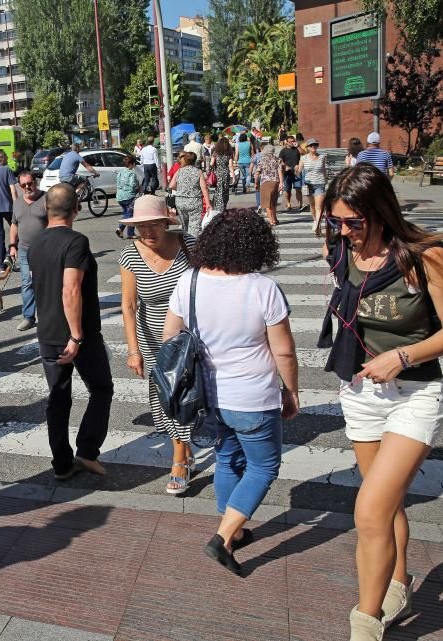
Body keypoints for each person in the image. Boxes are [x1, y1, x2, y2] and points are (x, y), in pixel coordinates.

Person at [316, 165, 443, 641]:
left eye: (353, 222)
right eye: (335, 222)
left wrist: (402, 356)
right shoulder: (343, 250)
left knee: (368, 511)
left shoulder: (425, 257)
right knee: (385, 503)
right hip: (361, 393)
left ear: (381, 212)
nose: (343, 232)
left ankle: (365, 627)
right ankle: (399, 581)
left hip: (415, 394)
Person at [163, 208, 299, 578]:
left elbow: (169, 339)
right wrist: (291, 391)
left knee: (227, 460)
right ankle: (222, 538)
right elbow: (283, 351)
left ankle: (234, 530)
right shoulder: (262, 288)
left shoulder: (188, 282)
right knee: (263, 466)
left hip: (210, 395)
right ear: (257, 246)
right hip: (254, 394)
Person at [27, 183, 114, 480]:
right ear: (76, 209)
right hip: (79, 334)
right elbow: (71, 289)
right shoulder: (76, 241)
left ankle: (61, 464)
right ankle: (87, 451)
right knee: (101, 389)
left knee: (58, 396)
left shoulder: (36, 243)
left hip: (48, 331)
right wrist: (76, 335)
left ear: (47, 210)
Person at [119, 196, 197, 494]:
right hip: (153, 341)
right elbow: (128, 306)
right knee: (167, 398)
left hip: (189, 337)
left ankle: (179, 458)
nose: (148, 232)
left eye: (154, 224)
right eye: (141, 226)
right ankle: (183, 448)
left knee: (187, 394)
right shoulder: (131, 255)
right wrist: (133, 350)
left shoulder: (188, 244)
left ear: (167, 222)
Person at [9, 170, 48, 331]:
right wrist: (12, 245)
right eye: (23, 185)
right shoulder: (17, 202)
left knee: (47, 283)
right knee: (27, 283)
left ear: (35, 182)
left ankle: (48, 316)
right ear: (19, 186)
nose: (27, 187)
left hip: (45, 250)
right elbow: (14, 224)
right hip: (24, 250)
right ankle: (28, 317)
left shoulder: (46, 198)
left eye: (30, 183)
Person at [169, 151, 209, 237]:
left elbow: (171, 185)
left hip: (180, 201)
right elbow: (204, 188)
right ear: (194, 161)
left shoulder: (179, 171)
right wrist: (208, 203)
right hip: (194, 201)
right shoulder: (198, 172)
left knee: (185, 226)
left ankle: (186, 244)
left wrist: (181, 189)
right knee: (194, 226)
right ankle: (193, 245)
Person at [297, 138, 328, 234]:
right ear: (308, 147)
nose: (313, 147)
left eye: (315, 145)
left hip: (320, 183)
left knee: (319, 206)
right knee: (312, 205)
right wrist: (296, 169)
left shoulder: (322, 157)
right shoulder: (304, 158)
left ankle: (318, 226)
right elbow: (299, 172)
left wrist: (326, 180)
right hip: (308, 184)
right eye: (311, 145)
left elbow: (324, 170)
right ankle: (315, 220)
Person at [254, 141, 284, 225]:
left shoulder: (262, 159)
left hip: (265, 182)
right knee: (273, 202)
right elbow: (280, 171)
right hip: (275, 182)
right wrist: (281, 182)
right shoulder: (277, 159)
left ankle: (271, 220)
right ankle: (275, 219)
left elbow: (257, 173)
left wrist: (256, 183)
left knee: (267, 203)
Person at [115, 154, 140, 239]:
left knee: (126, 213)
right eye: (134, 164)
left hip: (120, 196)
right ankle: (129, 232)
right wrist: (138, 187)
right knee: (131, 214)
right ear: (131, 164)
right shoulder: (131, 173)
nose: (134, 166)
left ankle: (122, 230)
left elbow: (118, 182)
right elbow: (132, 184)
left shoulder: (121, 171)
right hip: (129, 196)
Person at [279, 135, 304, 212]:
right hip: (287, 173)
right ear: (286, 142)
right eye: (291, 141)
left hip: (297, 172)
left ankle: (300, 204)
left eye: (294, 141)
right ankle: (288, 203)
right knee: (287, 189)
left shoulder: (296, 149)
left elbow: (303, 153)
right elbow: (280, 160)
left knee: (298, 189)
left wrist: (298, 146)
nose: (293, 143)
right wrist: (285, 166)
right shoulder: (283, 151)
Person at [209, 137, 233, 216]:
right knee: (225, 191)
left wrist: (209, 172)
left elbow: (211, 164)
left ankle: (217, 207)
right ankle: (222, 207)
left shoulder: (215, 153)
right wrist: (233, 176)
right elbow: (230, 166)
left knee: (218, 191)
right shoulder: (228, 153)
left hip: (217, 175)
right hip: (225, 175)